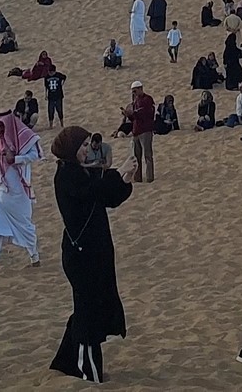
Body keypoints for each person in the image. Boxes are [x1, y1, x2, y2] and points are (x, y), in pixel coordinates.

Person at [48, 126, 137, 382]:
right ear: (71, 149)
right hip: (81, 256)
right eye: (83, 145)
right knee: (88, 312)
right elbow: (91, 191)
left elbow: (107, 197)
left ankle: (64, 362)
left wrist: (125, 179)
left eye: (88, 144)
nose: (87, 149)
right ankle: (88, 373)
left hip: (94, 253)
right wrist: (117, 173)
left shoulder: (82, 172)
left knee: (90, 306)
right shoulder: (67, 175)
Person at [0, 111, 43, 270]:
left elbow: (35, 155)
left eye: (2, 126)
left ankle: (35, 258)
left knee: (25, 226)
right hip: (1, 193)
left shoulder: (24, 136)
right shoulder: (0, 143)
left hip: (19, 193)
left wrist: (15, 159)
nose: (0, 129)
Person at [123, 81, 157, 183]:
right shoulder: (135, 101)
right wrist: (128, 114)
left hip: (145, 131)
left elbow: (145, 114)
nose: (134, 93)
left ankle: (150, 178)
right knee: (136, 157)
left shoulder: (147, 99)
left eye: (135, 91)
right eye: (132, 91)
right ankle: (138, 178)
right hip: (136, 131)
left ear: (140, 89)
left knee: (147, 155)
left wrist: (133, 113)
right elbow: (134, 118)